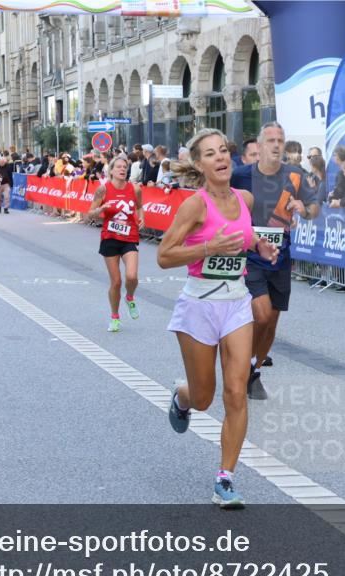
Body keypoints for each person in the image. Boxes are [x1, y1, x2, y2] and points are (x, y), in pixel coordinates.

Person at [157, 128, 279, 508]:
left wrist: (260, 245)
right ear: (200, 164)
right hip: (199, 306)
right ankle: (182, 396)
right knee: (205, 398)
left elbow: (244, 239)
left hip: (235, 301)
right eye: (210, 154)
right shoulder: (194, 205)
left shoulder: (244, 197)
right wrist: (208, 247)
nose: (220, 157)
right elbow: (164, 255)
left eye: (223, 150)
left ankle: (225, 478)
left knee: (236, 391)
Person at [231, 122, 320, 400]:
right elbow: (223, 202)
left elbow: (314, 208)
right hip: (252, 256)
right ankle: (242, 365)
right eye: (270, 139)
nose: (276, 144)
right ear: (259, 146)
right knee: (263, 313)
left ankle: (252, 370)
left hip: (281, 257)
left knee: (272, 322)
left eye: (280, 139)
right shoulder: (241, 176)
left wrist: (304, 209)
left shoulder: (296, 175)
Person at [84, 155, 145, 333]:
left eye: (124, 167)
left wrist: (142, 217)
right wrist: (101, 209)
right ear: (111, 170)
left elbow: (140, 206)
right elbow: (89, 214)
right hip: (110, 238)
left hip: (129, 236)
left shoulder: (135, 189)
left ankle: (130, 297)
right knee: (116, 282)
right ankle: (115, 316)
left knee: (132, 276)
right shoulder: (103, 189)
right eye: (118, 166)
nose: (122, 169)